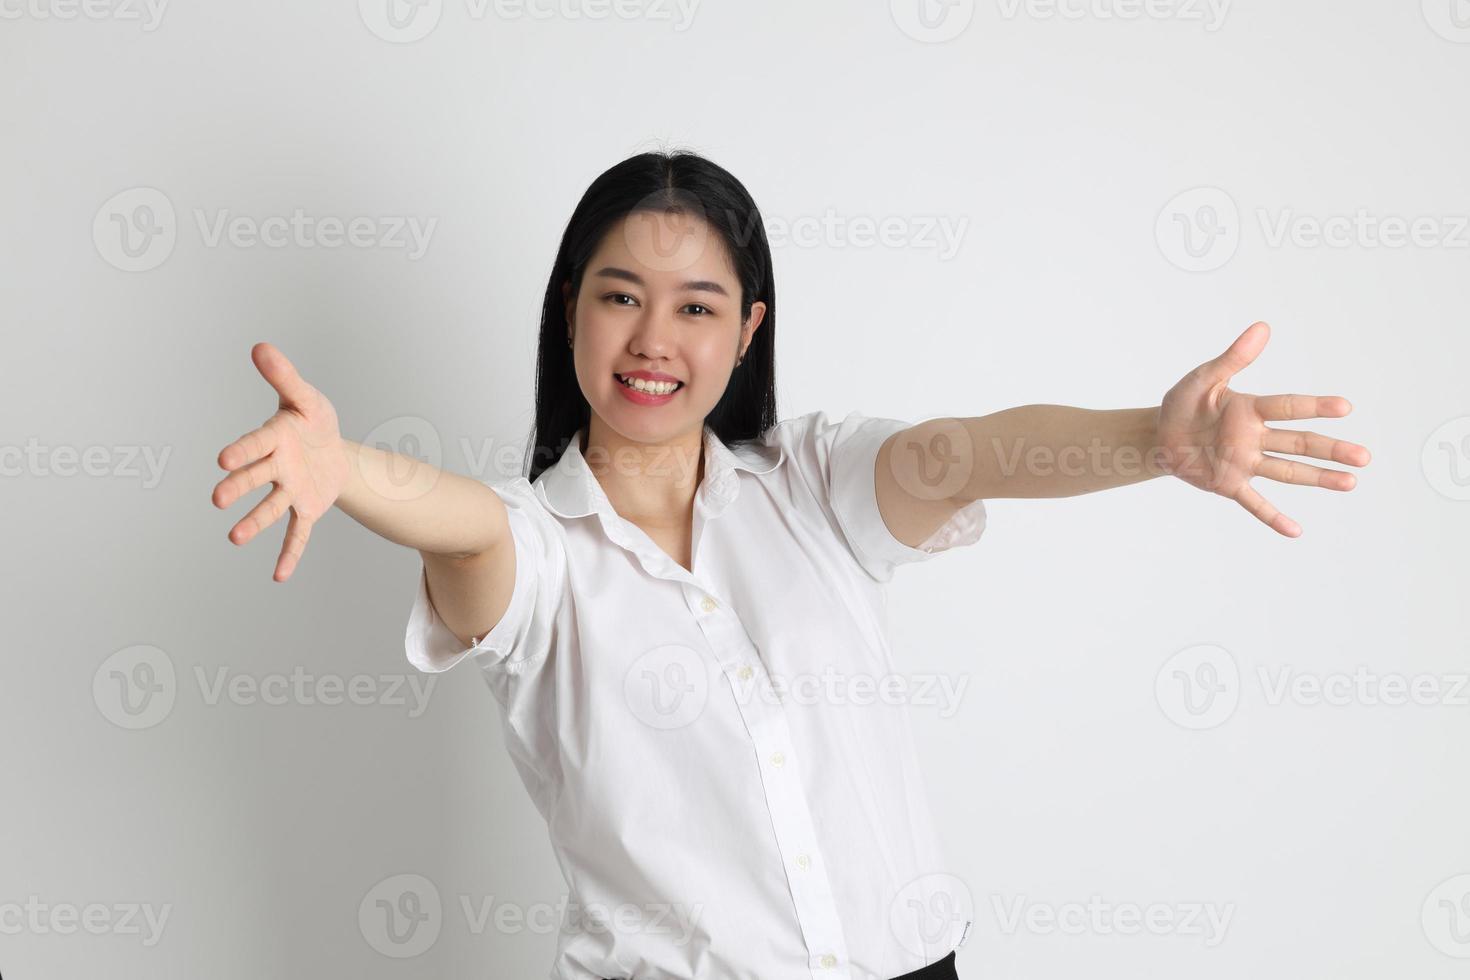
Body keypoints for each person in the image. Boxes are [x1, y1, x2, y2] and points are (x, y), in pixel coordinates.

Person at [211, 150, 1371, 980]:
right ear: (570, 309)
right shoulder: (541, 556)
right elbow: (465, 526)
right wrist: (346, 464)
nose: (654, 338)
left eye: (696, 306)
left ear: (748, 333)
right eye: (620, 296)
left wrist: (1151, 443)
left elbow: (970, 453)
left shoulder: (813, 481)